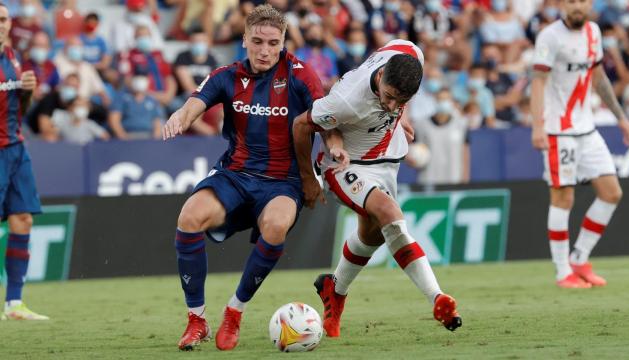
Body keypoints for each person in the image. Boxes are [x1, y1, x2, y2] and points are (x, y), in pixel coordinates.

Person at [162, 4, 323, 352]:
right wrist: (181, 117)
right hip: (235, 174)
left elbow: (327, 114)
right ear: (245, 40)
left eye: (273, 43)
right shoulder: (226, 75)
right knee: (189, 217)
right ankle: (197, 320)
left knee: (276, 226)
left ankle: (234, 311)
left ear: (282, 42)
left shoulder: (300, 74)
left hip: (283, 181)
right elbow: (195, 101)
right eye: (257, 41)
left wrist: (333, 152)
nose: (265, 50)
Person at [292, 39, 462, 338]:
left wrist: (402, 116)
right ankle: (438, 298)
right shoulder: (346, 101)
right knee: (389, 214)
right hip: (346, 165)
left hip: (387, 161)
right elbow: (302, 125)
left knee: (371, 234)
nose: (392, 106)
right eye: (389, 97)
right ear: (380, 77)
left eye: (402, 101)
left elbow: (398, 93)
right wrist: (309, 177)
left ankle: (335, 290)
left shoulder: (408, 54)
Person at [530, 0, 629, 289]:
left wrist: (621, 118)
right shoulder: (550, 36)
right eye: (571, 1)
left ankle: (580, 258)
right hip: (558, 130)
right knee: (563, 198)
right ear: (563, 5)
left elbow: (598, 76)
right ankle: (562, 271)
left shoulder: (593, 31)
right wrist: (538, 126)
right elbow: (538, 81)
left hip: (586, 129)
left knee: (612, 193)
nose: (577, 6)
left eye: (582, 1)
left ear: (589, 4)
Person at [0, 2, 47, 320]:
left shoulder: (12, 56)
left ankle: (14, 303)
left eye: (4, 19)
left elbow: (22, 106)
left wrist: (28, 91)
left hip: (17, 146)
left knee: (23, 219)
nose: (1, 24)